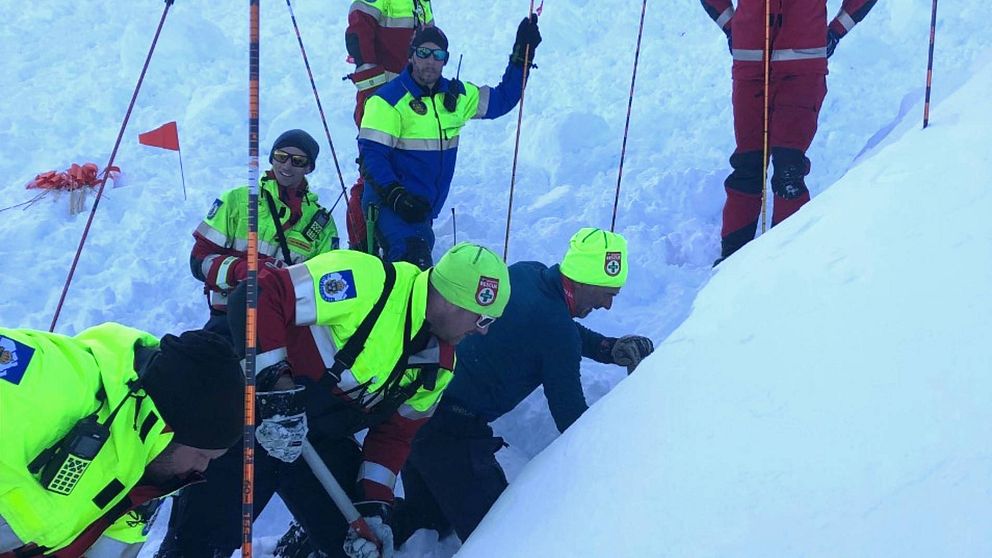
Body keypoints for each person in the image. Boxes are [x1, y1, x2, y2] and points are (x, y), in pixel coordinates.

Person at [156, 243, 510, 558]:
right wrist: (277, 389)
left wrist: (374, 504)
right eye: (483, 319)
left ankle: (304, 546)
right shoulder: (367, 281)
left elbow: (395, 436)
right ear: (451, 300)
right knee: (200, 542)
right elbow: (256, 296)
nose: (484, 330)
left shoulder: (439, 367)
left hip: (319, 438)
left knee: (354, 540)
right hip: (251, 415)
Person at [391, 228, 655, 543]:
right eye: (607, 293)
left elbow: (556, 329)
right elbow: (571, 418)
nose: (608, 305)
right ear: (583, 281)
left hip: (416, 411)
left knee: (426, 520)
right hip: (450, 435)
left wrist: (605, 348)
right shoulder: (557, 331)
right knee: (504, 537)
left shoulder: (527, 273)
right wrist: (626, 445)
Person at [0, 325, 244, 558]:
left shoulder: (145, 481)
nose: (202, 469)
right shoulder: (60, 381)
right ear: (169, 430)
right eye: (204, 456)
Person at [701, 0, 877, 263]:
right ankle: (729, 265)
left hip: (803, 68)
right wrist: (730, 25)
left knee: (788, 171)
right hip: (751, 66)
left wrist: (838, 30)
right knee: (748, 165)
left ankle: (786, 266)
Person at [358, 18, 542, 268]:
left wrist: (522, 57)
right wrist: (397, 196)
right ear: (412, 56)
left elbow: (502, 100)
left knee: (409, 269)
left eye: (438, 55)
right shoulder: (387, 101)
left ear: (445, 59)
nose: (430, 61)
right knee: (411, 263)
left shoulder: (456, 97)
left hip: (421, 210)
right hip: (389, 204)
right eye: (423, 53)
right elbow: (371, 157)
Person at [190, 129, 339, 337]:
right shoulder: (236, 200)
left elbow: (326, 284)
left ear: (309, 167)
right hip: (228, 318)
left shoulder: (322, 224)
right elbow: (199, 260)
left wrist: (284, 282)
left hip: (286, 325)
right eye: (281, 157)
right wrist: (243, 270)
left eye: (297, 160)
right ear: (272, 158)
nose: (287, 165)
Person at [344, 0, 436, 252]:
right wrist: (377, 95)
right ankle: (363, 245)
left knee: (411, 169)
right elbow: (357, 34)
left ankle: (407, 239)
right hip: (383, 99)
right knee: (374, 173)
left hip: (413, 102)